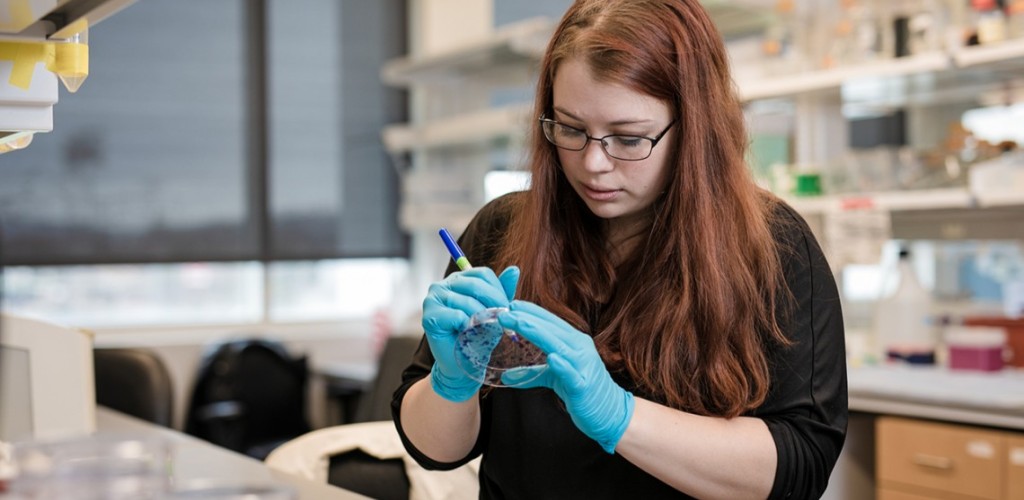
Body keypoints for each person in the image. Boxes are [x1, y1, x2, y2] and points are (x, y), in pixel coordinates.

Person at [391, 0, 847, 498]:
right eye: (570, 128)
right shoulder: (504, 229)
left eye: (628, 139)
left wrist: (620, 415)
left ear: (695, 128)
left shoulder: (774, 246)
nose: (592, 164)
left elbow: (799, 467)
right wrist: (450, 382)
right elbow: (434, 450)